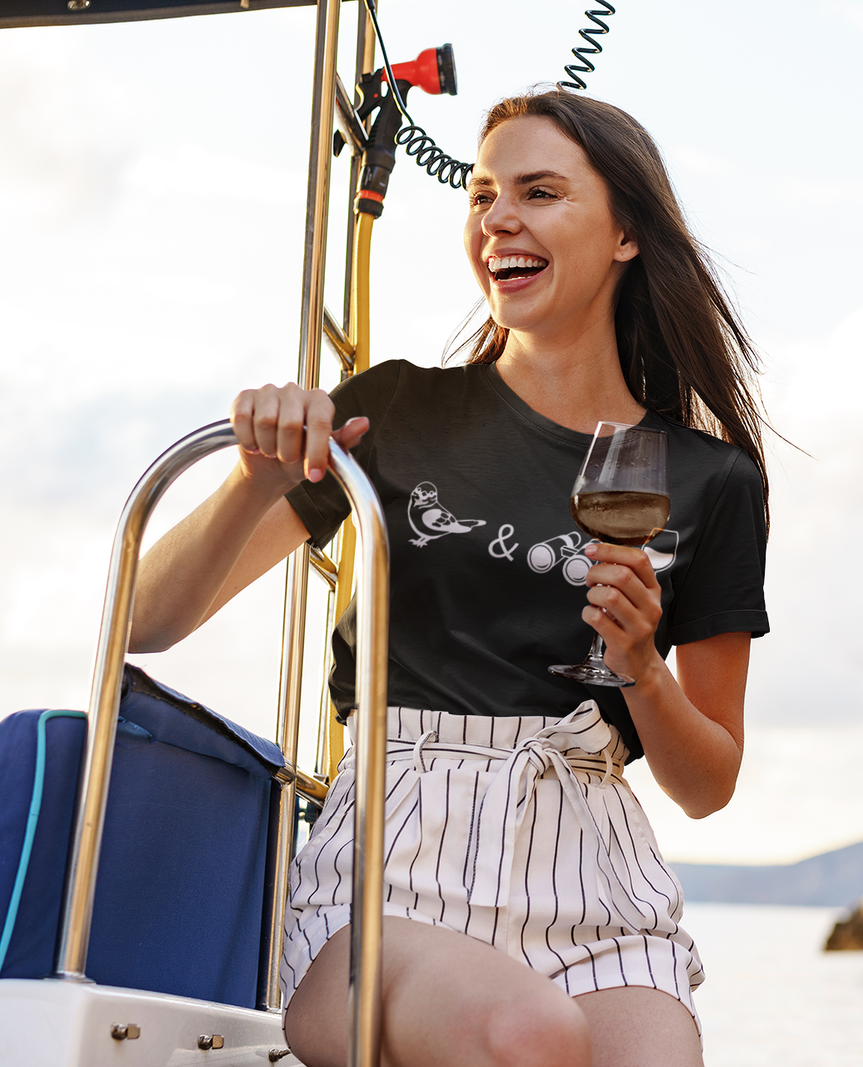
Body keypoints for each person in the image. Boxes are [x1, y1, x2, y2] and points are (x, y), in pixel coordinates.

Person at [129, 89, 771, 1067]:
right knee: (528, 1033)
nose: (498, 219)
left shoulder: (711, 480)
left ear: (627, 231)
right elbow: (146, 618)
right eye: (481, 196)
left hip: (591, 877)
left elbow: (707, 781)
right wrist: (249, 480)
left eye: (540, 191)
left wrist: (641, 663)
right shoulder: (392, 411)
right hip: (393, 868)